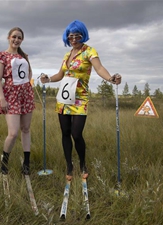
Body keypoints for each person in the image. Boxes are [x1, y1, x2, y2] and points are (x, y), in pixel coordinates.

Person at [40, 20, 122, 181]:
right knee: (65, 133)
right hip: (64, 98)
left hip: (80, 99)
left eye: (77, 35)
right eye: (71, 36)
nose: (74, 39)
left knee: (76, 133)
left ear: (83, 35)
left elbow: (99, 68)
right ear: (67, 37)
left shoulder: (89, 51)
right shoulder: (66, 55)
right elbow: (60, 75)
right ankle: (69, 165)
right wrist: (48, 79)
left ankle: (83, 163)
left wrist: (111, 78)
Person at [0, 27, 35, 175]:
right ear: (8, 37)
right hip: (11, 94)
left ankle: (26, 163)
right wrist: (2, 98)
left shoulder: (24, 56)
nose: (16, 40)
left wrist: (27, 86)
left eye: (19, 38)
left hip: (26, 94)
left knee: (26, 129)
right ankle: (4, 161)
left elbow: (29, 73)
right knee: (13, 133)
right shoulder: (1, 56)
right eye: (14, 37)